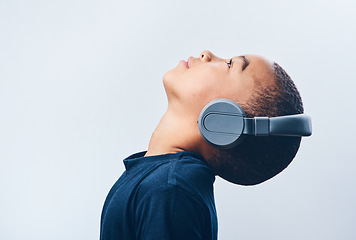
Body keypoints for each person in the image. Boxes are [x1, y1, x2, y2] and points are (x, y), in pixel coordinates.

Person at [100, 50, 304, 239]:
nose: (207, 54)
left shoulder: (171, 191)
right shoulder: (164, 181)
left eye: (230, 64)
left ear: (228, 120)